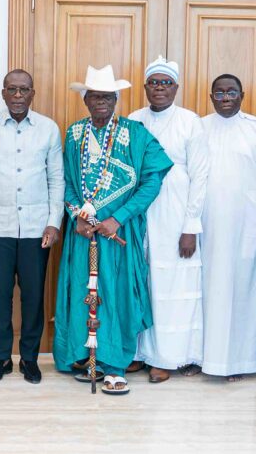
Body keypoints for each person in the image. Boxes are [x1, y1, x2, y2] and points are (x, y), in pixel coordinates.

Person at [53, 64, 172, 395]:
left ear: (116, 99)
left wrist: (118, 218)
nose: (101, 102)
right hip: (84, 233)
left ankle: (115, 364)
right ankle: (88, 357)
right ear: (86, 100)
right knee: (83, 291)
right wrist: (77, 215)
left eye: (107, 96)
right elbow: (66, 181)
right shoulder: (74, 133)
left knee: (118, 293)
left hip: (119, 232)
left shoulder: (136, 133)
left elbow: (154, 179)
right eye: (94, 96)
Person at [0, 69, 63, 384]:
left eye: (24, 90)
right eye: (12, 89)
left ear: (32, 93)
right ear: (3, 93)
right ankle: (0, 359)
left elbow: (56, 178)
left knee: (33, 298)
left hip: (37, 229)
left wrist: (54, 222)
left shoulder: (48, 129)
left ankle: (29, 360)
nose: (18, 95)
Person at [130, 56, 208, 383]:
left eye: (166, 83)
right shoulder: (134, 119)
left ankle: (168, 357)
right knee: (141, 280)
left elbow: (200, 175)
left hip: (177, 213)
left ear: (176, 87)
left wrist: (191, 226)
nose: (160, 88)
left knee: (173, 286)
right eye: (154, 82)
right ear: (145, 87)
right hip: (140, 211)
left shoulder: (190, 121)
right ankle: (138, 352)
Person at [200, 74, 256, 381]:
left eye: (231, 91)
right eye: (218, 93)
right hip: (207, 226)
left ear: (242, 94)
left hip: (247, 226)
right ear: (211, 96)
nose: (225, 97)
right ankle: (204, 358)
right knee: (206, 292)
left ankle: (237, 363)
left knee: (240, 293)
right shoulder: (200, 127)